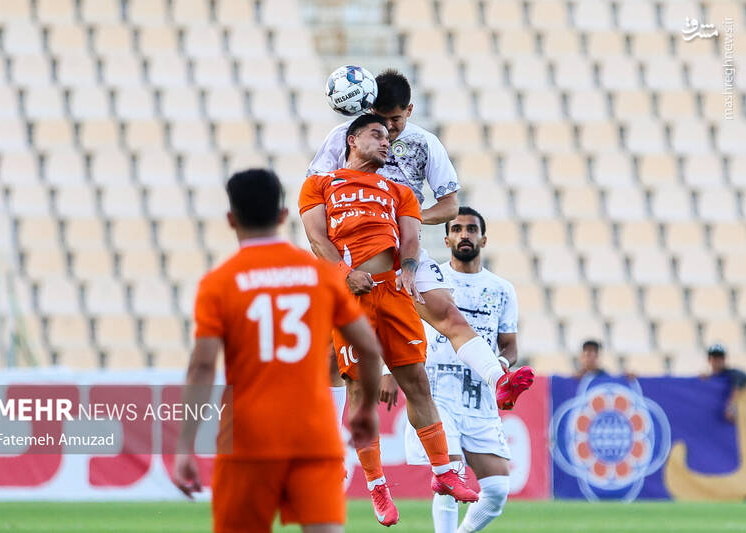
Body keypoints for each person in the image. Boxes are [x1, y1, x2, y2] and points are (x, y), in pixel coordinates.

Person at [309, 69, 532, 433]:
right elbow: (315, 196)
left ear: (409, 111)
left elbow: (450, 205)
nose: (387, 129)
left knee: (448, 314)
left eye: (395, 120)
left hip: (403, 252)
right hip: (351, 257)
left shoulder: (425, 143)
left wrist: (408, 218)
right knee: (333, 358)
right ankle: (328, 449)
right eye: (380, 120)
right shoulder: (344, 137)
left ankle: (498, 379)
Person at [172, 169, 384, 533]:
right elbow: (367, 346)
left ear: (231, 219)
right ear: (283, 215)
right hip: (314, 434)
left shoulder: (218, 284)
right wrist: (364, 409)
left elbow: (202, 367)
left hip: (249, 437)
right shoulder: (321, 275)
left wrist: (184, 445)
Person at [300, 114, 479, 527]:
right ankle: (377, 486)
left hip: (394, 293)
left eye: (388, 136)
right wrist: (345, 274)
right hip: (351, 296)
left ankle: (443, 472)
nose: (386, 142)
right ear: (352, 139)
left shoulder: (399, 191)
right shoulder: (319, 185)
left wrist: (411, 271)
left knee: (417, 383)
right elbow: (316, 239)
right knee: (359, 392)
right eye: (376, 134)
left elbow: (411, 238)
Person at [401, 207, 529, 533]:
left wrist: (501, 367)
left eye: (471, 229)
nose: (464, 235)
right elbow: (404, 327)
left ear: (483, 239)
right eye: (457, 229)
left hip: (480, 394)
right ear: (446, 240)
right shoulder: (430, 280)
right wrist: (390, 372)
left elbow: (510, 346)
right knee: (450, 474)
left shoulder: (502, 289)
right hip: (438, 388)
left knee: (497, 491)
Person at [705, 343, 746, 424]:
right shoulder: (706, 378)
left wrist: (731, 404)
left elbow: (743, 377)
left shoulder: (731, 374)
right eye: (715, 357)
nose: (718, 360)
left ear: (724, 358)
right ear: (709, 360)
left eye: (720, 357)